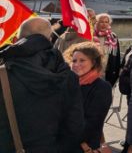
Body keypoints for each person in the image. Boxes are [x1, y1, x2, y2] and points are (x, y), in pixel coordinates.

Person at [0, 17, 84, 152]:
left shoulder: (3, 71)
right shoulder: (68, 76)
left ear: (16, 40)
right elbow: (74, 125)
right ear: (50, 39)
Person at [65, 42, 113, 153]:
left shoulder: (102, 87)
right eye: (74, 61)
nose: (76, 64)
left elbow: (92, 124)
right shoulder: (69, 83)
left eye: (82, 60)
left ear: (93, 62)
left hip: (83, 146)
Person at [93, 13, 121, 86]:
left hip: (107, 74)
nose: (104, 24)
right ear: (96, 23)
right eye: (101, 22)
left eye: (106, 22)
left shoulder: (113, 37)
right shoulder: (91, 35)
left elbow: (117, 56)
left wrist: (116, 73)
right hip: (93, 73)